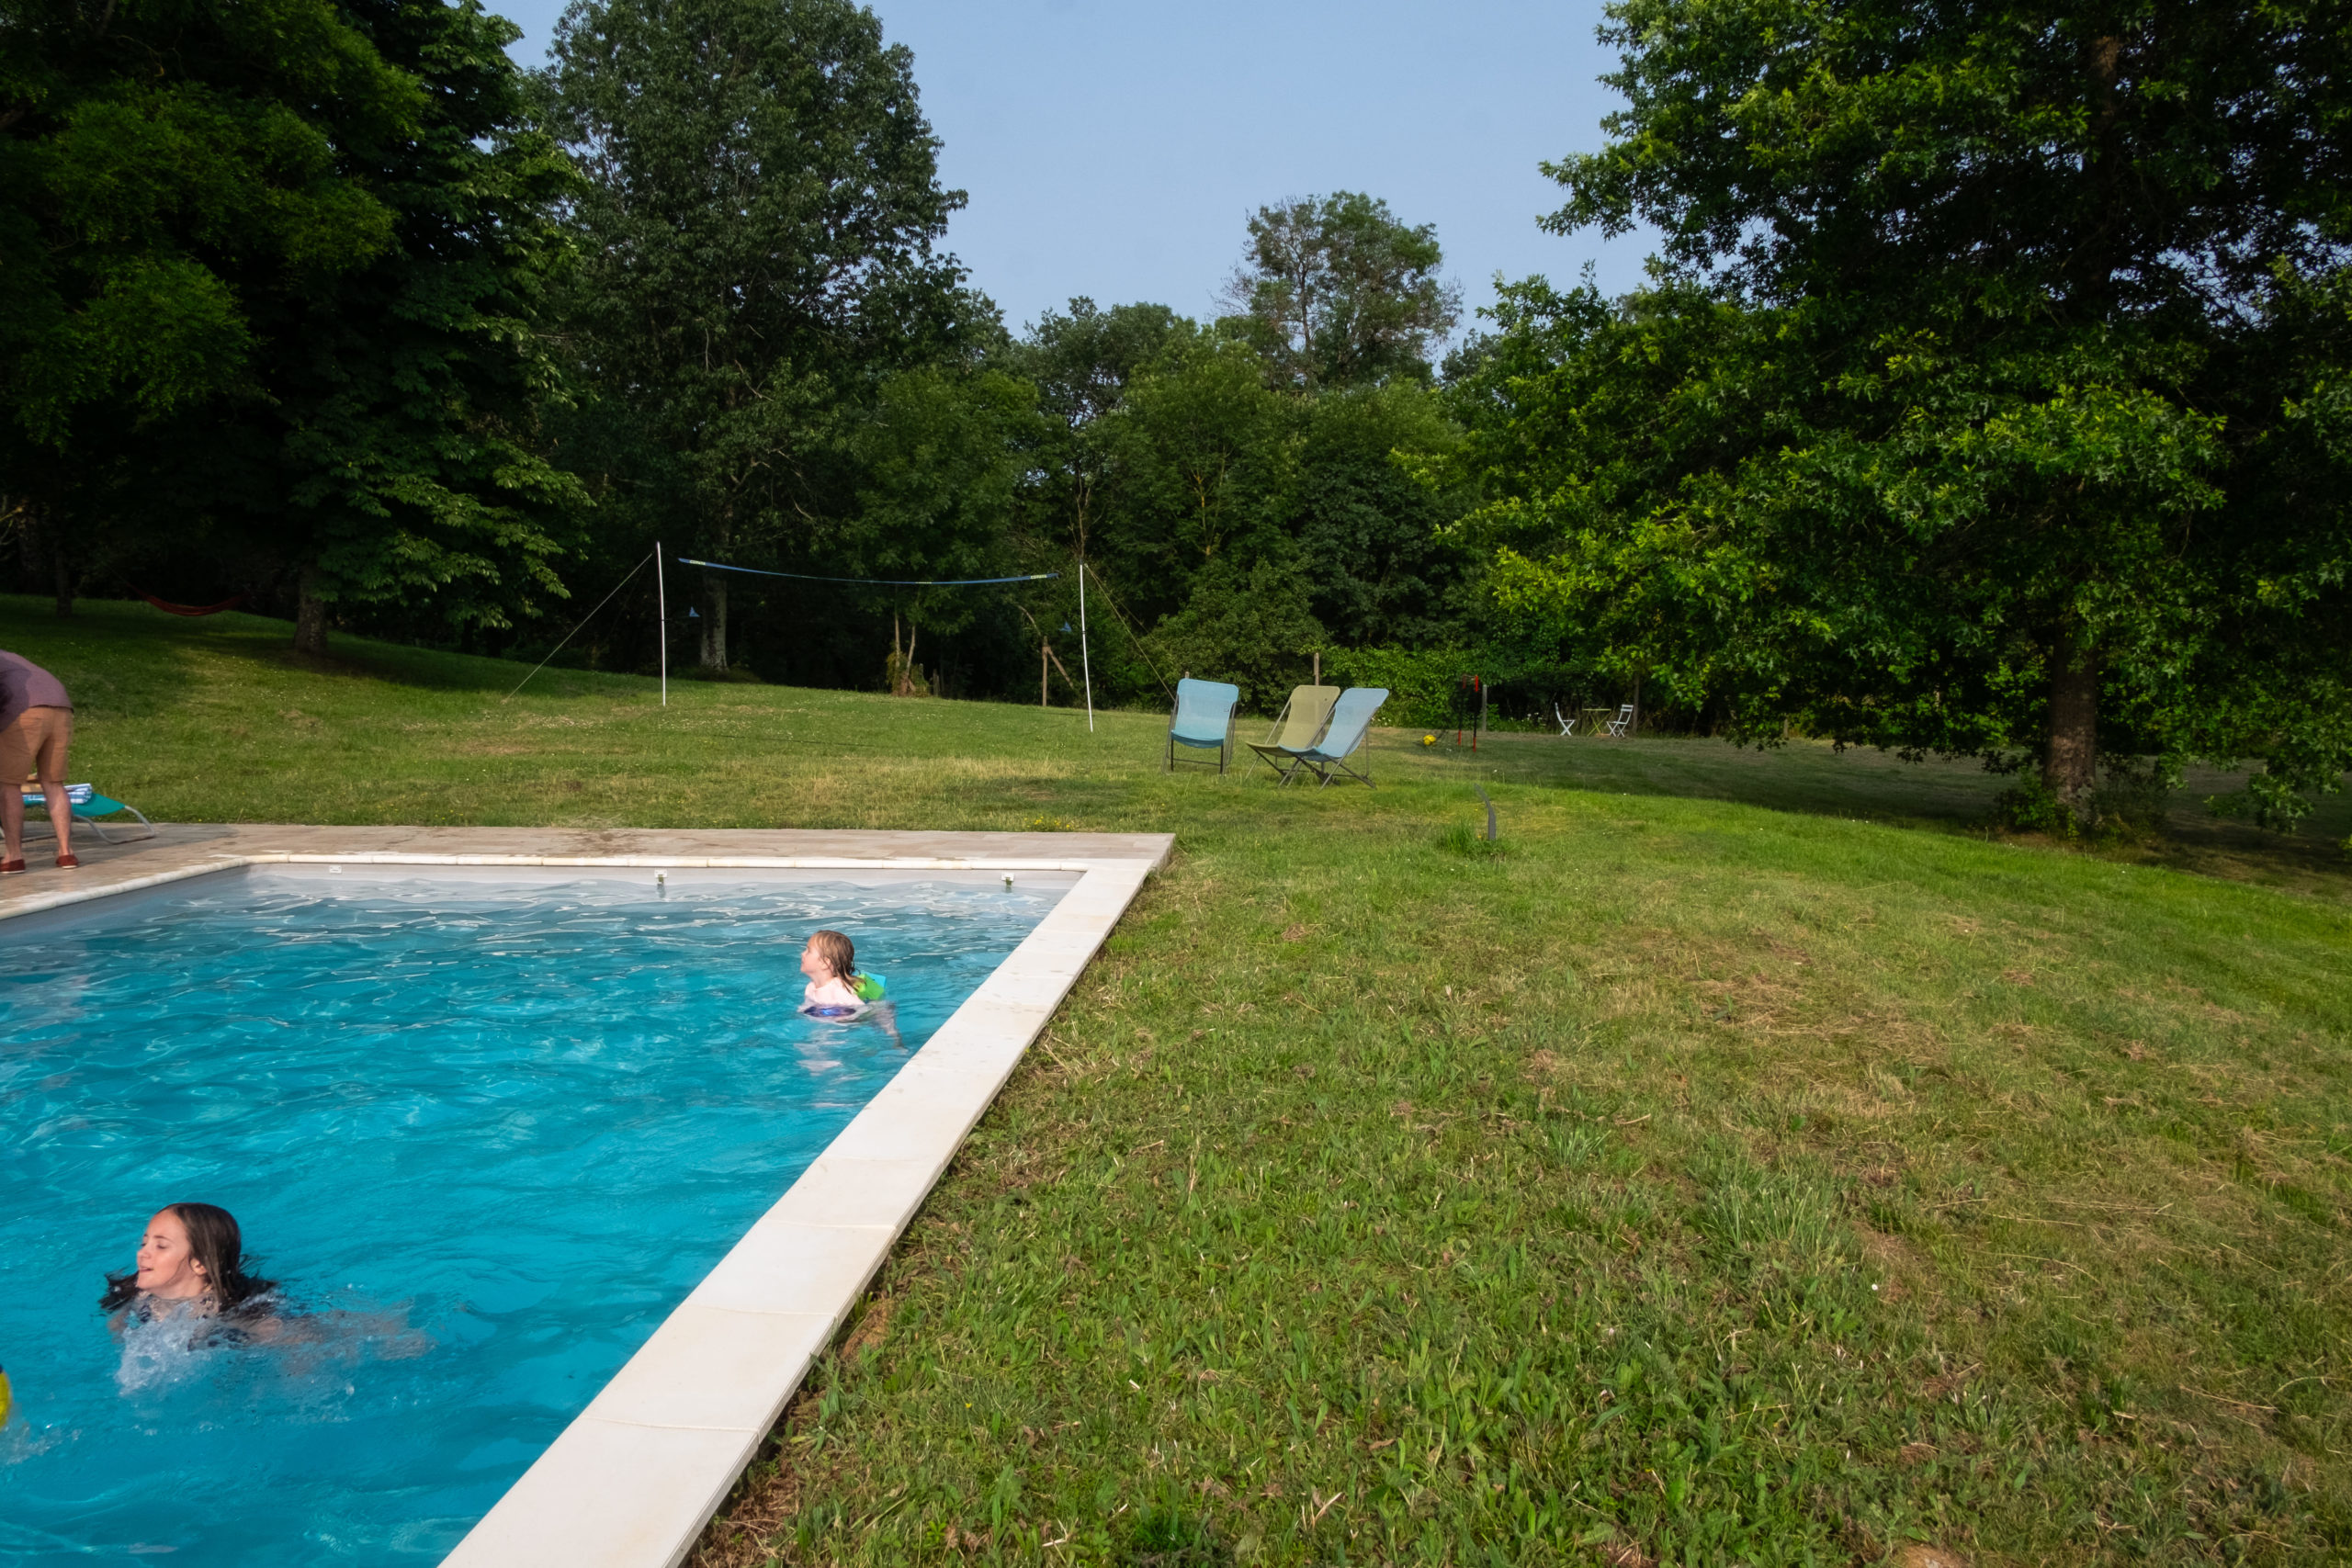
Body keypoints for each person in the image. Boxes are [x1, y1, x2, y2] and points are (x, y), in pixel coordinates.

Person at [100, 1203, 277, 1334]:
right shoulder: (132, 1297)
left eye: (161, 1246)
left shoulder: (233, 1310)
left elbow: (293, 1336)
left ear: (199, 1264)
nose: (142, 1253)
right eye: (144, 1243)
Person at [0, 648, 75, 874]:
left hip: (25, 710)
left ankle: (13, 857)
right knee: (53, 782)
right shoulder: (12, 657)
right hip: (61, 708)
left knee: (8, 783)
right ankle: (66, 853)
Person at [798, 928, 885, 1019]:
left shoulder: (838, 990)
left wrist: (848, 1019)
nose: (802, 954)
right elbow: (808, 1006)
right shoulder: (810, 987)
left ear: (825, 963)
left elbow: (863, 1009)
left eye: (809, 951)